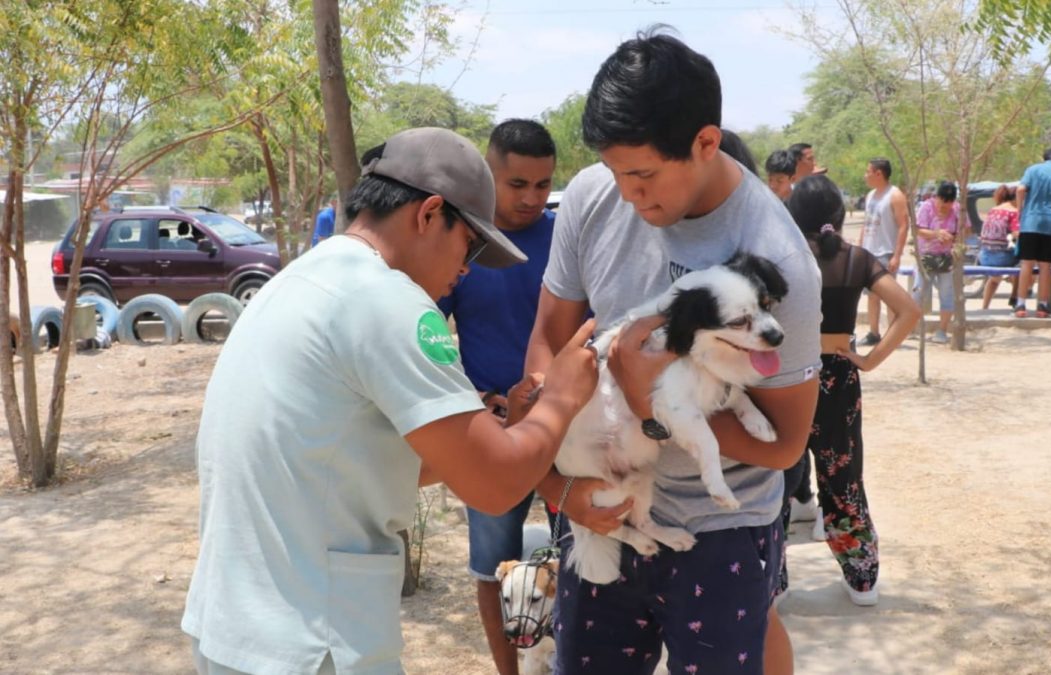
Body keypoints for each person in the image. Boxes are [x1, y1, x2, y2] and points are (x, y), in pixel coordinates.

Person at [181, 127, 600, 675]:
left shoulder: (305, 279)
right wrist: (560, 401)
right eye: (470, 244)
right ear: (428, 215)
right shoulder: (386, 299)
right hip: (313, 644)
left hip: (237, 630)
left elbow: (350, 459)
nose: (466, 269)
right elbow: (494, 488)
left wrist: (503, 430)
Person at [526, 30, 823, 675]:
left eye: (643, 175)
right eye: (614, 172)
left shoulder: (776, 260)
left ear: (706, 142)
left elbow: (784, 444)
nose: (629, 195)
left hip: (723, 530)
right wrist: (561, 487)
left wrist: (652, 408)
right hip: (599, 503)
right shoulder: (590, 199)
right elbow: (547, 349)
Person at [437, 119, 559, 675]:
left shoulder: (566, 238)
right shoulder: (460, 244)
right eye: (518, 184)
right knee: (493, 569)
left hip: (565, 429)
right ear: (490, 174)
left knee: (579, 564)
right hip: (488, 432)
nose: (533, 198)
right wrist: (477, 399)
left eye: (542, 184)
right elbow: (427, 340)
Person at [782, 175, 920, 606]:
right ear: (839, 217)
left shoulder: (779, 260)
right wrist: (870, 360)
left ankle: (770, 581)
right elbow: (909, 310)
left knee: (772, 481)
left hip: (785, 380)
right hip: (838, 379)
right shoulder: (857, 258)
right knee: (842, 480)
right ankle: (862, 578)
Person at [1015, 147, 1051, 318]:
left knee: (1026, 264)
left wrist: (1020, 211)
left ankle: (1020, 304)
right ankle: (1043, 305)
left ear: (1044, 157)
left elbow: (1020, 190)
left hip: (1030, 222)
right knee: (1046, 266)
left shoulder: (1033, 170)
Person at [858, 158, 909, 346]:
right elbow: (866, 223)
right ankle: (874, 333)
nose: (865, 175)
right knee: (872, 295)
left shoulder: (895, 195)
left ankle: (893, 334)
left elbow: (904, 226)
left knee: (890, 296)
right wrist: (860, 247)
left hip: (885, 252)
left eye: (867, 171)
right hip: (869, 252)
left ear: (878, 173)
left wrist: (896, 255)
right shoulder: (870, 195)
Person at [913, 181, 965, 344]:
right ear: (938, 198)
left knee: (947, 294)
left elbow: (964, 230)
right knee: (918, 292)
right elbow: (918, 229)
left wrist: (953, 238)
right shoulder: (926, 207)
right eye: (943, 203)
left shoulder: (957, 210)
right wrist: (936, 234)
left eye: (949, 203)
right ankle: (913, 328)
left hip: (946, 258)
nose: (946, 207)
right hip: (926, 256)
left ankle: (942, 330)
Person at [977, 184, 1020, 310]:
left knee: (995, 278)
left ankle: (985, 307)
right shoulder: (1013, 212)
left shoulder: (993, 209)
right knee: (1025, 264)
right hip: (1001, 258)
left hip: (984, 256)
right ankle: (1014, 298)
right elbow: (1017, 234)